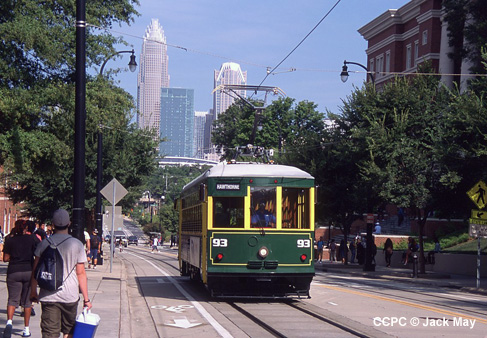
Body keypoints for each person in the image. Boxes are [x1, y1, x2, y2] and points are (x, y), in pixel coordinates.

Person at [30, 209, 92, 338]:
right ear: (69, 223)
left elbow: (35, 271)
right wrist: (86, 299)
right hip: (70, 295)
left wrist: (33, 292)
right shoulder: (77, 244)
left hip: (48, 295)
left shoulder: (44, 244)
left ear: (52, 224)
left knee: (50, 333)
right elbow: (81, 274)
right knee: (69, 331)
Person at [2, 220, 38, 338]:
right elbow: (39, 251)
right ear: (25, 228)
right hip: (28, 270)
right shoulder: (32, 239)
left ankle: (9, 323)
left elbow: (5, 258)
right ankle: (26, 329)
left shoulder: (10, 240)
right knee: (27, 302)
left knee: (12, 299)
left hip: (13, 271)